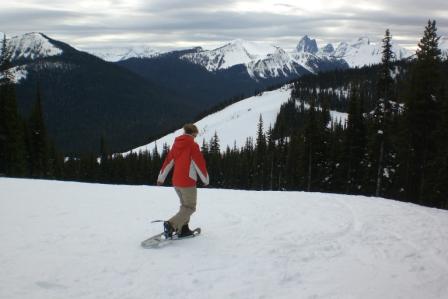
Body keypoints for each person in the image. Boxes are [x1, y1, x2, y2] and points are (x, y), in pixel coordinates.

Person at [157, 123, 209, 238]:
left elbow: (168, 161)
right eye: (196, 135)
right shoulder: (192, 145)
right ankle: (171, 224)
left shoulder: (176, 144)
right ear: (194, 133)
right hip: (188, 182)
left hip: (176, 181)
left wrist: (161, 178)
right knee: (190, 207)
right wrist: (205, 179)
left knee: (184, 206)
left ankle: (183, 229)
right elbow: (199, 164)